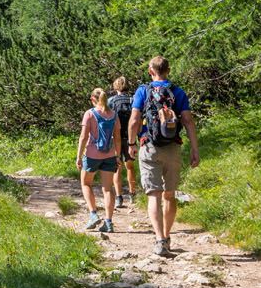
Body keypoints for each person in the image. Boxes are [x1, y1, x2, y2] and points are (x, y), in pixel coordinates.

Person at [128, 56, 200, 256]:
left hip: (149, 146)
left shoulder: (143, 91)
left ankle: (159, 239)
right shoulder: (178, 92)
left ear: (151, 71)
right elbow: (188, 120)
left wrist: (131, 143)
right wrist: (195, 149)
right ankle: (167, 237)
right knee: (169, 194)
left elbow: (134, 119)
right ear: (168, 70)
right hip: (172, 148)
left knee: (154, 195)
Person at [76, 87, 121, 234]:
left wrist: (78, 156)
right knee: (108, 189)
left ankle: (93, 214)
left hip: (91, 155)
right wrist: (118, 155)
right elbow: (118, 137)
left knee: (86, 183)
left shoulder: (89, 114)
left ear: (93, 99)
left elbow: (83, 137)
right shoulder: (113, 114)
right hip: (109, 155)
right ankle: (108, 222)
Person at [107, 77, 137, 207]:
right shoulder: (133, 100)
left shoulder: (111, 101)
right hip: (130, 138)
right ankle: (132, 194)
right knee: (130, 166)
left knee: (117, 167)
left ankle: (119, 197)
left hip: (116, 138)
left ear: (115, 87)